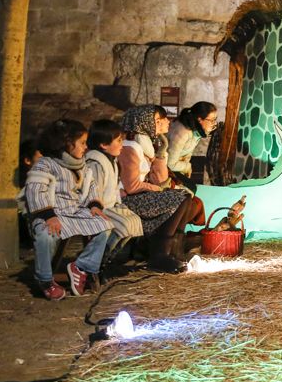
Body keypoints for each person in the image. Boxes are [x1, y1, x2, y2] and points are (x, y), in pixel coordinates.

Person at [24, 119, 112, 299]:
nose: (85, 147)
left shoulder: (82, 165)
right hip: (50, 213)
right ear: (66, 143)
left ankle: (81, 267)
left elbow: (92, 186)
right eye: (82, 143)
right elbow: (35, 190)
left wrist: (94, 205)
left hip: (74, 211)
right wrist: (48, 215)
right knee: (45, 236)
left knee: (104, 226)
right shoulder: (46, 164)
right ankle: (46, 280)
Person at [118, 105, 196, 273]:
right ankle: (159, 254)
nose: (167, 122)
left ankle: (173, 250)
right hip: (127, 200)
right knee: (180, 198)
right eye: (160, 120)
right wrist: (157, 189)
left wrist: (162, 150)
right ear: (146, 123)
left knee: (185, 197)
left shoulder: (147, 145)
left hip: (140, 195)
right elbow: (131, 187)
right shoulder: (130, 147)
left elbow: (160, 179)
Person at [86, 119, 144, 263]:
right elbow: (94, 192)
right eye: (118, 141)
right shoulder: (96, 163)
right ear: (104, 144)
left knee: (134, 221)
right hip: (98, 208)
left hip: (112, 205)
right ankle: (100, 259)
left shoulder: (112, 161)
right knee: (123, 224)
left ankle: (108, 258)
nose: (122, 144)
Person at [167, 101, 218, 187]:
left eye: (215, 119)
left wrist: (185, 170)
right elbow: (170, 164)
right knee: (191, 189)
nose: (215, 123)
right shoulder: (182, 133)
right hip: (166, 167)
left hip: (178, 166)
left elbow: (187, 153)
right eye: (211, 120)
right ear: (200, 119)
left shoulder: (195, 129)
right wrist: (187, 167)